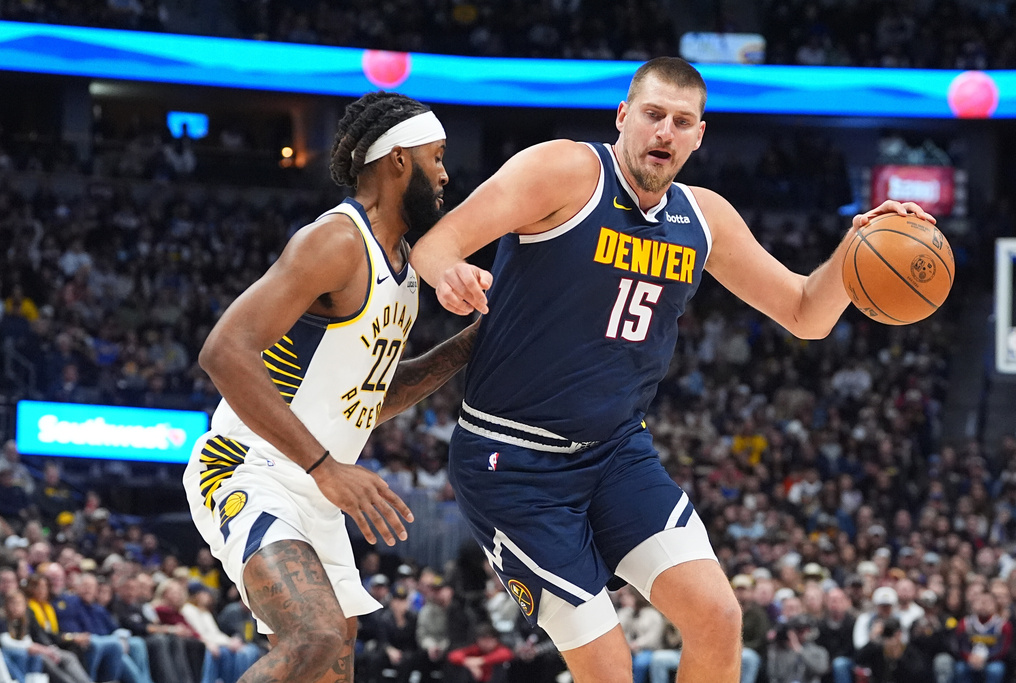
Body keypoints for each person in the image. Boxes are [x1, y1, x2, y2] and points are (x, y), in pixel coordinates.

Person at [409, 55, 935, 683]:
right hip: (512, 462)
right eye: (653, 115)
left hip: (614, 453)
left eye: (681, 121)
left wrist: (857, 250)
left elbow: (804, 312)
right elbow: (435, 241)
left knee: (718, 616)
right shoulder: (562, 170)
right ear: (623, 115)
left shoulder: (702, 217)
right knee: (609, 666)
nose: (664, 131)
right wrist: (449, 272)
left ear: (699, 135)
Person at [183, 90, 479, 683]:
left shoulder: (406, 264)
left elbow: (373, 399)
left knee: (331, 666)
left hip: (318, 487)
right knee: (313, 638)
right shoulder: (338, 241)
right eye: (437, 157)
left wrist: (475, 342)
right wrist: (324, 465)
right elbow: (222, 352)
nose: (446, 174)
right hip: (249, 467)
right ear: (398, 160)